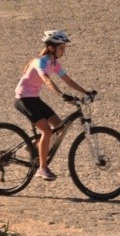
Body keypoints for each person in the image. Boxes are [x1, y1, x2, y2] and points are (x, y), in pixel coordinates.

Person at [14, 30, 93, 181]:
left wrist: (86, 92)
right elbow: (47, 80)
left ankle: (34, 146)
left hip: (34, 98)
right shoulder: (40, 62)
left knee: (59, 126)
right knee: (47, 131)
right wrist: (62, 95)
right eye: (61, 48)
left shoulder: (54, 63)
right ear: (51, 48)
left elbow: (68, 80)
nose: (64, 51)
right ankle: (42, 169)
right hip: (23, 99)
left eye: (64, 48)